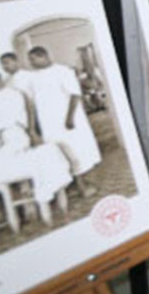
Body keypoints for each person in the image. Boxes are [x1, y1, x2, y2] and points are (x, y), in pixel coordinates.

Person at [24, 46, 100, 197]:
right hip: (48, 123)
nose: (31, 63)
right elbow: (31, 104)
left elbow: (75, 95)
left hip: (66, 120)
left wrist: (69, 118)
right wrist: (33, 128)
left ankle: (82, 186)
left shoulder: (63, 71)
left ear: (44, 56)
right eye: (30, 60)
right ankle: (76, 185)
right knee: (58, 154)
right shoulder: (32, 78)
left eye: (33, 59)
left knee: (75, 152)